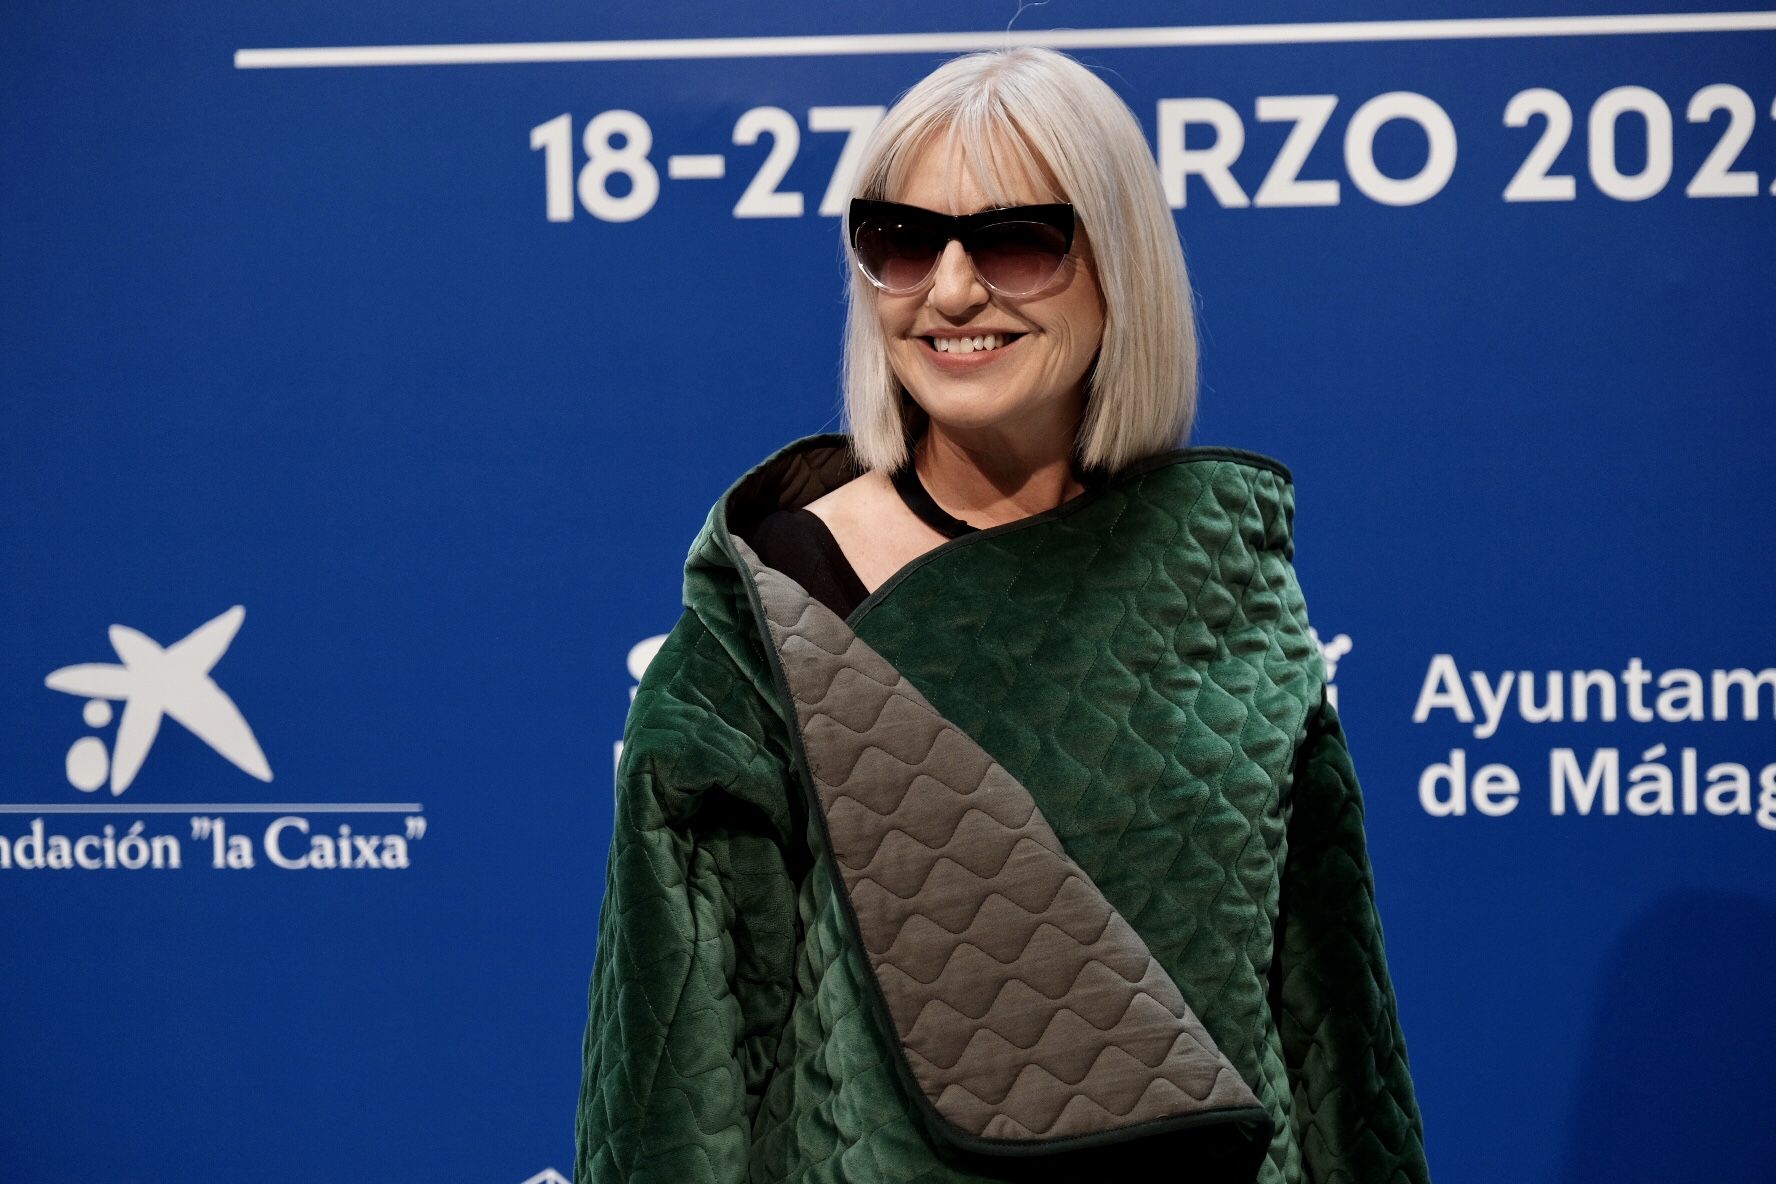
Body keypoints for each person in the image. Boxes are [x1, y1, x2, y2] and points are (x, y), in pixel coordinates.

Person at [576, 46, 1431, 1184]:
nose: (952, 288)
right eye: (901, 239)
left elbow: (1331, 1024)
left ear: (1119, 265)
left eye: (1018, 238)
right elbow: (683, 1041)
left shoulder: (1222, 563)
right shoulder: (784, 596)